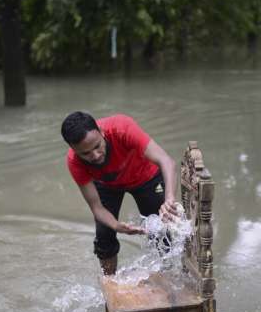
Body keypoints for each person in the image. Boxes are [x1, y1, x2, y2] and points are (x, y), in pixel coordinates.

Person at [61, 112, 179, 275]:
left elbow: (167, 161)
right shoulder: (74, 162)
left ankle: (167, 276)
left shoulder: (122, 128)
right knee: (104, 236)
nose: (95, 155)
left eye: (97, 146)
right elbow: (97, 208)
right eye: (86, 153)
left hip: (145, 176)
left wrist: (170, 198)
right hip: (107, 184)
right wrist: (117, 226)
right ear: (74, 150)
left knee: (159, 229)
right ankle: (110, 283)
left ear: (102, 133)